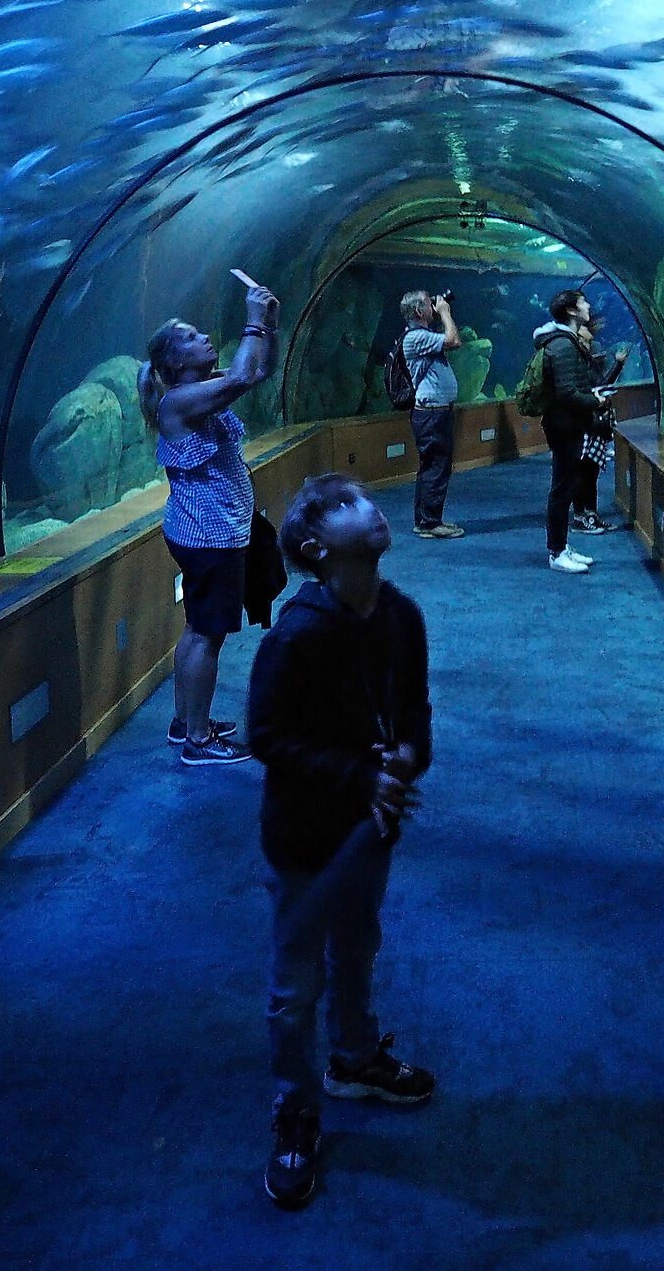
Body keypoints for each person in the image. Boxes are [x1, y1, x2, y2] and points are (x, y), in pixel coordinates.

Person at [249, 473, 437, 1211]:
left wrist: (409, 757)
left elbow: (415, 708)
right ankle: (295, 1111)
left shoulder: (402, 616)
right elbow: (266, 735)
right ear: (316, 547)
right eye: (346, 502)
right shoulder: (296, 634)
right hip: (304, 839)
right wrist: (360, 772)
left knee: (358, 948)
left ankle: (355, 1059)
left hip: (369, 833)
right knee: (295, 987)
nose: (371, 504)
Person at [139, 277, 278, 766]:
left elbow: (257, 373)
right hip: (208, 538)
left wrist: (271, 326)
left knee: (198, 629)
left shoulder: (200, 389)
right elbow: (242, 377)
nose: (205, 339)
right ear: (175, 363)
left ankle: (186, 721)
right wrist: (253, 321)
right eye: (194, 337)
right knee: (206, 634)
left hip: (212, 533)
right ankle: (199, 740)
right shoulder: (178, 401)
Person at [531, 289, 628, 573]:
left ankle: (562, 546)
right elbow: (566, 393)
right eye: (584, 302)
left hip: (572, 425)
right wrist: (595, 400)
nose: (588, 306)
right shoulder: (561, 346)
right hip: (563, 426)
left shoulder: (568, 342)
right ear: (572, 311)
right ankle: (556, 552)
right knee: (561, 489)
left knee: (570, 484)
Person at [398, 290, 465, 540]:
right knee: (436, 467)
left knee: (432, 466)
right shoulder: (415, 337)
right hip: (432, 414)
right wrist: (446, 313)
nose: (435, 306)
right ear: (419, 311)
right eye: (429, 304)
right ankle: (429, 523)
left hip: (435, 413)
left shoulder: (422, 336)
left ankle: (426, 519)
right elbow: (454, 341)